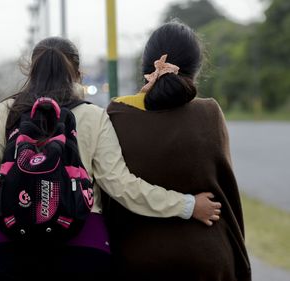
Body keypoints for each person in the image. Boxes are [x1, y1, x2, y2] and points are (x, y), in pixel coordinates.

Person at [0, 37, 221, 281]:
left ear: (29, 68)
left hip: (10, 253)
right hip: (82, 252)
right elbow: (123, 187)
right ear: (79, 73)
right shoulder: (92, 116)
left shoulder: (6, 112)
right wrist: (189, 205)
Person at [105, 21, 251, 281]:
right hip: (208, 261)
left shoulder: (115, 116)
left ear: (146, 67)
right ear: (195, 71)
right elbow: (227, 195)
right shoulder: (210, 114)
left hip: (136, 261)